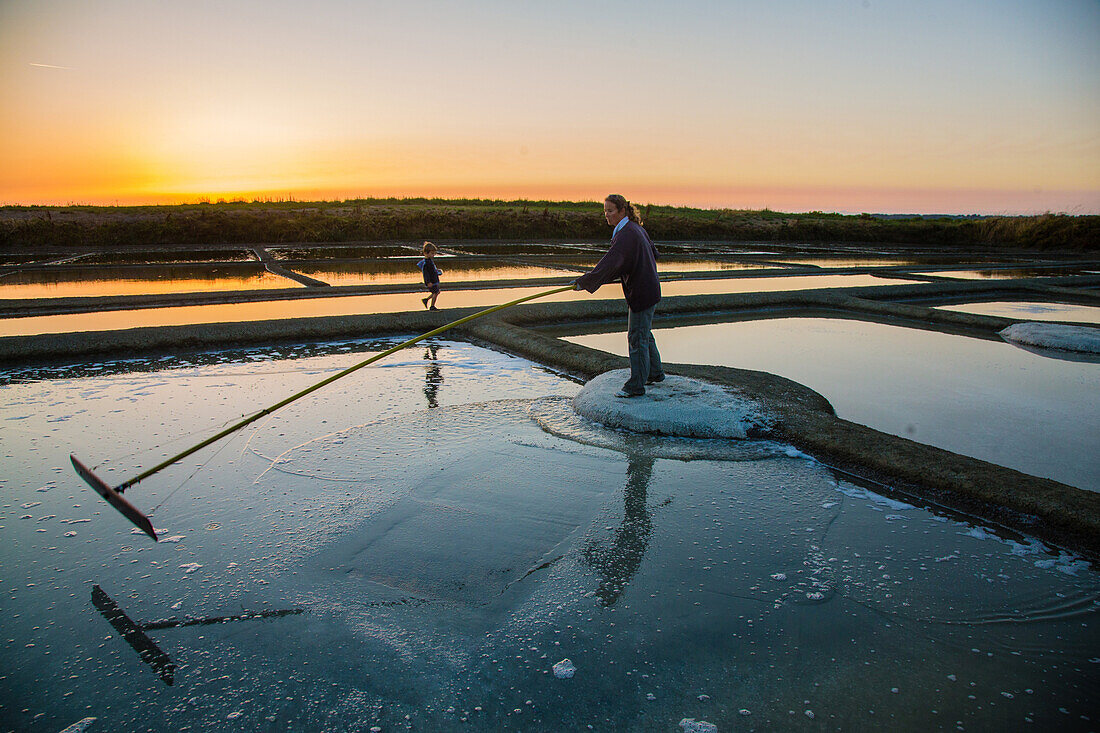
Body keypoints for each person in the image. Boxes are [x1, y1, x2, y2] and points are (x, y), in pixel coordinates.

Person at [574, 194, 665, 397]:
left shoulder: (626, 234)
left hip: (642, 291)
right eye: (605, 211)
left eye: (611, 211)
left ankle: (636, 385)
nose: (607, 215)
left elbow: (611, 262)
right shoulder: (635, 228)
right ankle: (656, 373)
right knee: (644, 332)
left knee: (637, 336)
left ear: (622, 211)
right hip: (648, 288)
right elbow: (654, 253)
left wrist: (585, 281)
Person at [417, 241, 442, 310]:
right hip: (431, 281)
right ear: (426, 253)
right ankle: (432, 306)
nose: (433, 255)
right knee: (435, 292)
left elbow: (432, 271)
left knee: (437, 292)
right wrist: (428, 282)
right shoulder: (426, 263)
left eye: (434, 253)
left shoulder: (430, 261)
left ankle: (426, 300)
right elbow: (426, 274)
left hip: (433, 280)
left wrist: (437, 272)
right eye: (432, 253)